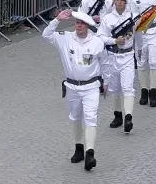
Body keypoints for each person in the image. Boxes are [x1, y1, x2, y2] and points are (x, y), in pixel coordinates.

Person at [42, 9, 111, 172]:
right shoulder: (65, 38)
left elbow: (105, 63)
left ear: (87, 26)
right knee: (75, 117)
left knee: (90, 117)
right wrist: (57, 20)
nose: (79, 26)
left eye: (82, 23)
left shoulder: (97, 42)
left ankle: (90, 153)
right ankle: (79, 148)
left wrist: (106, 82)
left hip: (91, 87)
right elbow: (45, 36)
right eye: (77, 23)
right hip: (72, 87)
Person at [96, 0, 136, 133]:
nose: (119, 2)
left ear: (126, 2)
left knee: (128, 87)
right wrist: (114, 40)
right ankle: (117, 114)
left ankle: (129, 117)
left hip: (127, 56)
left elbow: (140, 30)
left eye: (122, 0)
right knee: (115, 88)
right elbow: (100, 36)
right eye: (116, 0)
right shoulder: (107, 19)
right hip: (112, 56)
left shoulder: (133, 17)